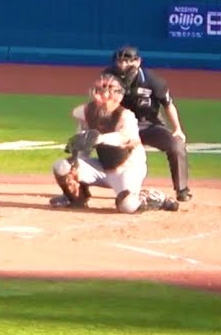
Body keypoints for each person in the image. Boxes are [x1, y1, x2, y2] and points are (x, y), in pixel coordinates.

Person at [48, 73, 179, 213]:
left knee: (127, 205)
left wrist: (99, 138)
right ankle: (76, 198)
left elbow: (123, 138)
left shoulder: (126, 116)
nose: (102, 95)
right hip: (102, 166)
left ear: (118, 96)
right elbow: (84, 143)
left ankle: (154, 197)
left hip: (127, 169)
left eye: (108, 91)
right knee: (62, 166)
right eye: (100, 90)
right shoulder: (87, 112)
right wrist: (76, 161)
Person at [103, 45, 192, 202]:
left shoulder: (153, 81)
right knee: (98, 141)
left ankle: (182, 189)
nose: (123, 65)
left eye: (127, 61)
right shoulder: (109, 77)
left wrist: (177, 129)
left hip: (149, 125)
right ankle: (85, 187)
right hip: (122, 126)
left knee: (176, 146)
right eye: (119, 61)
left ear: (138, 62)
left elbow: (168, 105)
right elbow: (102, 103)